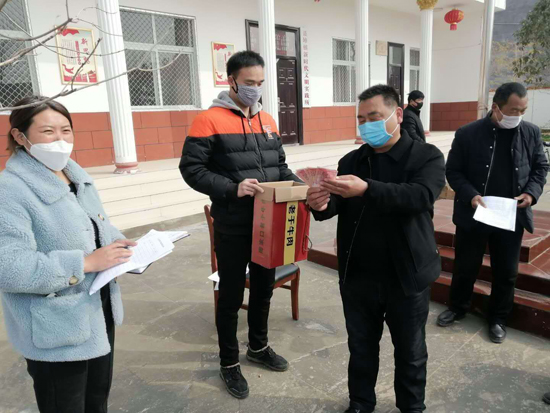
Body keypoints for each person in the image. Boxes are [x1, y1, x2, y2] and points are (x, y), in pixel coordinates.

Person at [307, 85, 445, 413]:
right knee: (361, 346)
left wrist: (367, 189)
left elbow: (420, 196)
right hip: (359, 275)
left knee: (411, 351)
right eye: (361, 119)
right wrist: (319, 204)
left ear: (397, 114)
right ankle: (360, 402)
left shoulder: (426, 156)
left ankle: (412, 407)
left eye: (374, 117)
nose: (366, 125)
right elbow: (337, 204)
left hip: (406, 276)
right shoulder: (352, 160)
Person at [0, 96, 136, 413]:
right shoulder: (10, 189)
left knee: (97, 399)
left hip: (97, 309)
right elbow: (8, 266)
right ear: (20, 136)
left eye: (66, 130)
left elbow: (95, 225)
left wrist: (121, 245)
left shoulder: (75, 175)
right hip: (56, 325)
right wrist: (84, 263)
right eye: (48, 131)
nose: (60, 140)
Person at [179, 50, 300, 399]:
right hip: (233, 224)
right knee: (231, 296)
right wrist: (233, 188)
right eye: (249, 83)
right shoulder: (208, 120)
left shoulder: (268, 120)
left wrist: (300, 187)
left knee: (263, 290)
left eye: (260, 83)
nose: (255, 89)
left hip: (268, 223)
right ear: (230, 80)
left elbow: (279, 166)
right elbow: (192, 169)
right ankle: (229, 362)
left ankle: (258, 347)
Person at [437, 82, 548, 343]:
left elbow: (540, 168)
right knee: (465, 265)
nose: (518, 115)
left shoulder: (530, 132)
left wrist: (531, 193)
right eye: (513, 110)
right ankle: (458, 307)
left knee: (506, 271)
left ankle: (498, 318)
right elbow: (453, 170)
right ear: (496, 107)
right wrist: (470, 195)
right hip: (475, 212)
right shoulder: (468, 133)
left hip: (510, 214)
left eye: (523, 110)